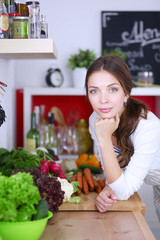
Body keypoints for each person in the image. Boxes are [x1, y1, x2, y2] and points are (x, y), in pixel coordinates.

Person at [85, 54, 160, 215]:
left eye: (113, 89)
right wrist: (108, 188)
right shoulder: (95, 120)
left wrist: (104, 138)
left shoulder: (147, 126)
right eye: (94, 91)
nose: (103, 100)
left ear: (126, 93)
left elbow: (123, 192)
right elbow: (111, 172)